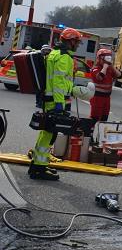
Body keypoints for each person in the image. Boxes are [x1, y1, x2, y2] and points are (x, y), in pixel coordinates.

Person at [29, 28, 83, 180]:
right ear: (70, 41)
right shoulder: (64, 57)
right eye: (76, 42)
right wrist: (60, 104)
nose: (77, 45)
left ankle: (38, 164)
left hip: (48, 99)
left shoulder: (54, 53)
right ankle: (39, 169)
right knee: (49, 134)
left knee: (45, 132)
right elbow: (59, 82)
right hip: (55, 101)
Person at [89, 48, 121, 121]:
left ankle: (100, 131)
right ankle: (91, 130)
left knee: (104, 117)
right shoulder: (95, 69)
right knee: (95, 117)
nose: (107, 60)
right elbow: (100, 77)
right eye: (105, 57)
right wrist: (105, 67)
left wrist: (111, 67)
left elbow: (119, 76)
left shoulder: (109, 69)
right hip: (97, 97)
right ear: (99, 58)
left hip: (107, 98)